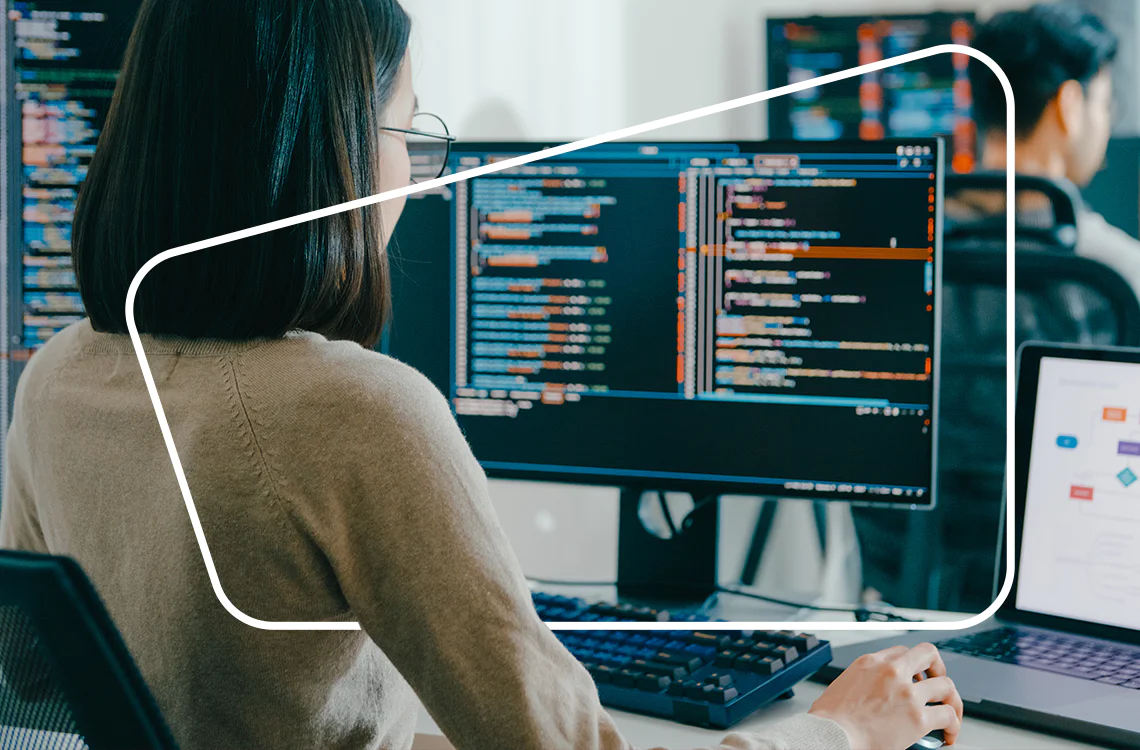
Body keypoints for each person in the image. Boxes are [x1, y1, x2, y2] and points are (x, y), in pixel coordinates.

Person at [0, 1, 963, 748]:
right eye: (406, 136)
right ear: (327, 157)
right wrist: (842, 727)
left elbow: (40, 700)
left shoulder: (56, 381)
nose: (417, 182)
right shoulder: (354, 413)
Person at [970, 2, 1140, 293]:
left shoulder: (926, 248)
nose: (1106, 124)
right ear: (1069, 106)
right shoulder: (1116, 271)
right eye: (1103, 105)